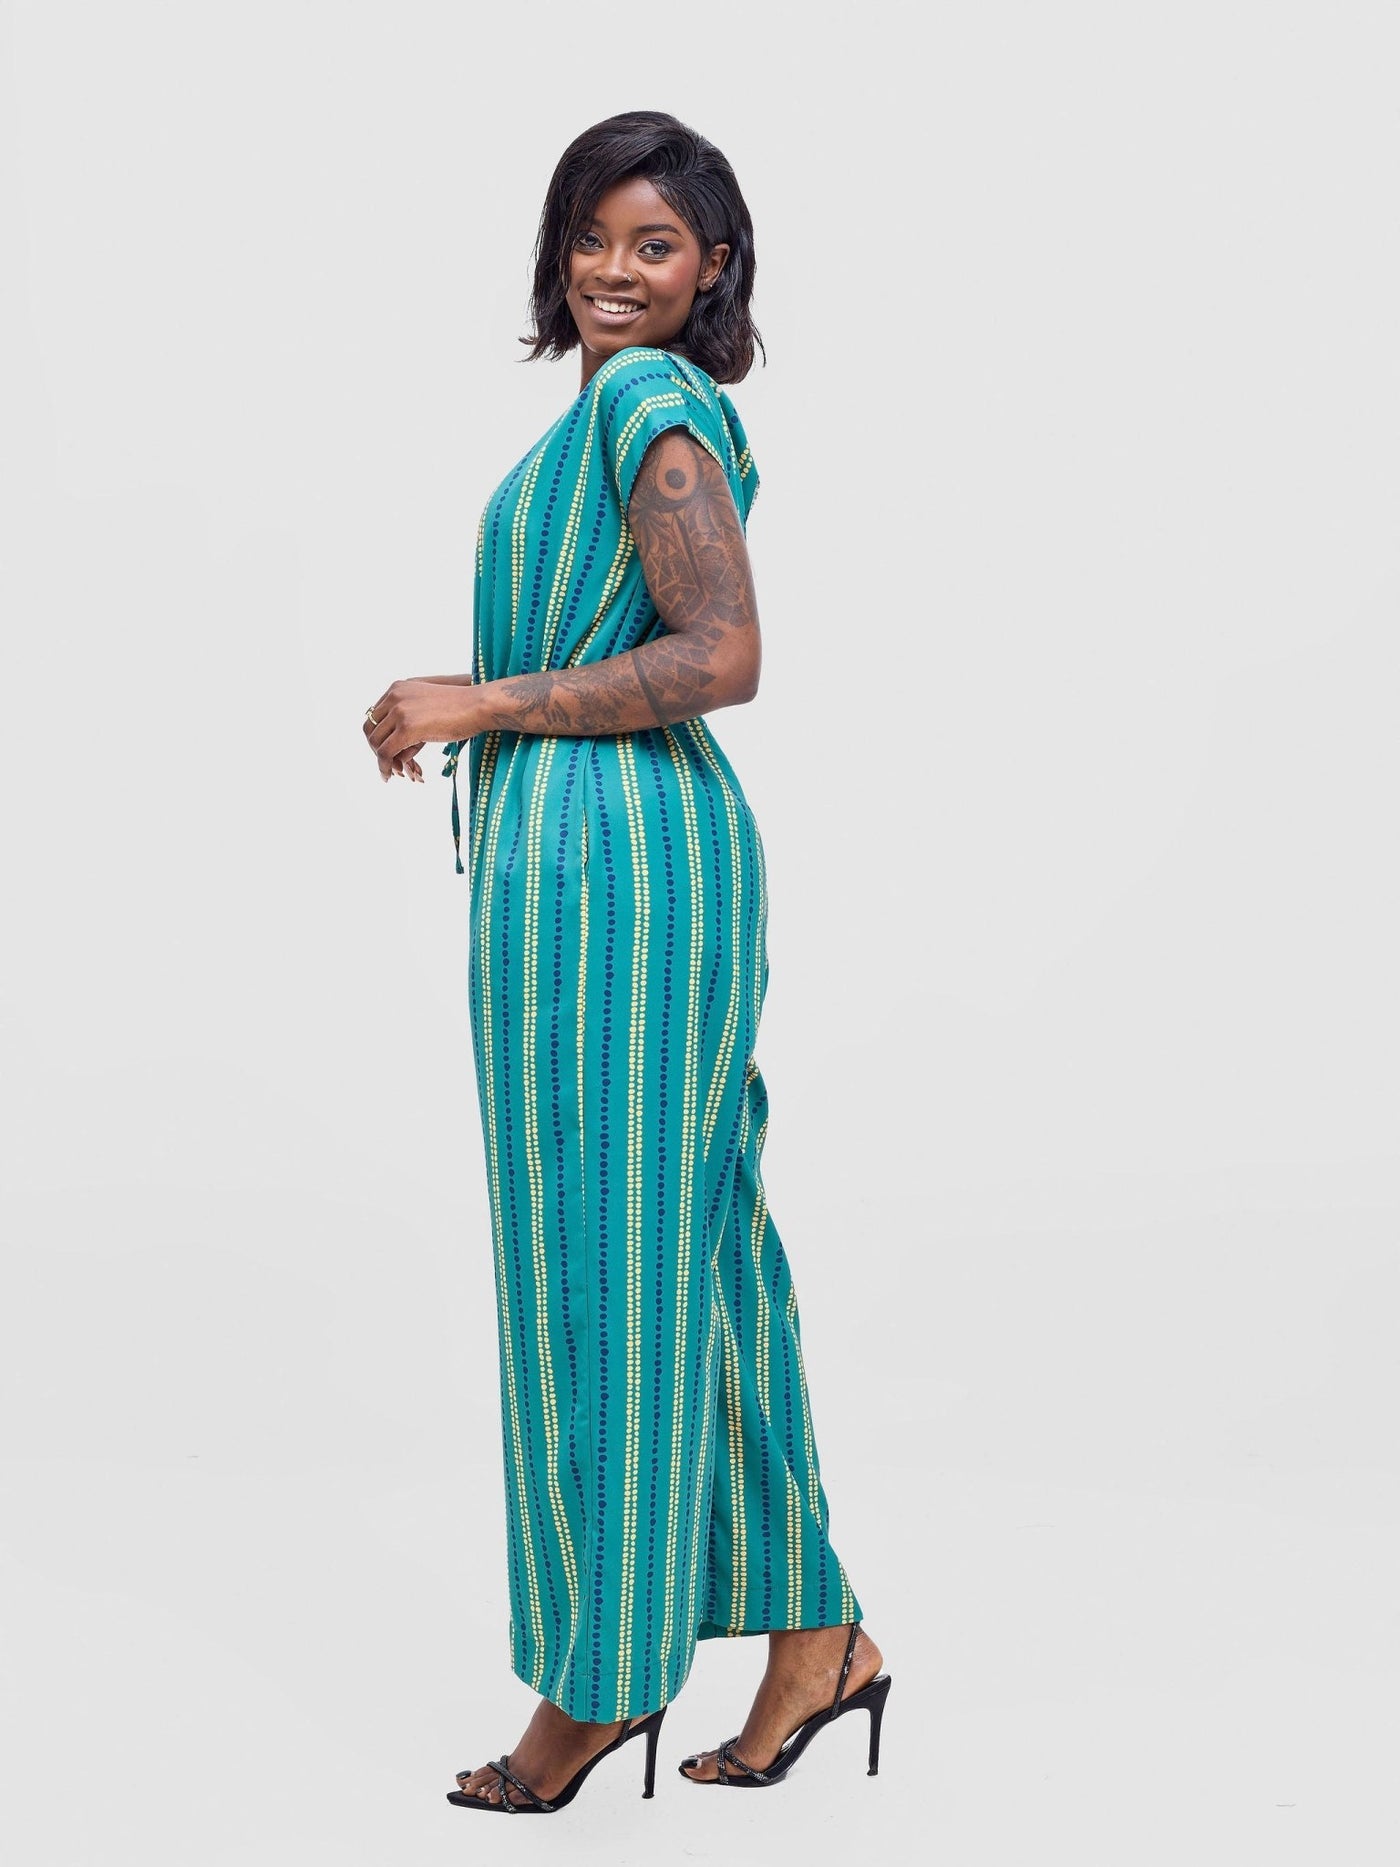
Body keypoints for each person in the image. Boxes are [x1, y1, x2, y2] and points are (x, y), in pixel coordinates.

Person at [363, 109, 891, 1815]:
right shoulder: (604, 410)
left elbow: (723, 652)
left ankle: (597, 1682)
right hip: (602, 869)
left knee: (601, 1267)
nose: (612, 268)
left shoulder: (652, 404)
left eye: (653, 244)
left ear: (712, 267)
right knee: (695, 1250)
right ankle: (816, 1636)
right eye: (590, 236)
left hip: (622, 882)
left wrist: (478, 700)